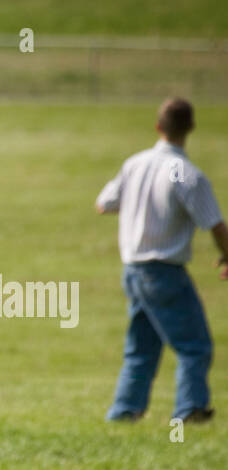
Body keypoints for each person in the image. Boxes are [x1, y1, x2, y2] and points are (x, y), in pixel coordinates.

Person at [96, 97, 228, 424]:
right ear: (191, 128)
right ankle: (190, 411)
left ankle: (124, 412)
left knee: (141, 347)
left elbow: (104, 203)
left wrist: (137, 203)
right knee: (195, 345)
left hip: (133, 270)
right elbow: (213, 222)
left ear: (158, 127)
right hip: (165, 272)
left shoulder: (135, 164)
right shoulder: (188, 175)